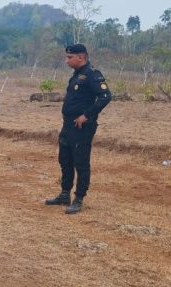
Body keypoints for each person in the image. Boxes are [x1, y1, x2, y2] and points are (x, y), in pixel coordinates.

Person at [44, 44, 111, 214]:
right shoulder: (77, 75)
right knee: (65, 160)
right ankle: (64, 194)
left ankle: (79, 198)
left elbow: (105, 96)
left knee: (80, 162)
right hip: (68, 125)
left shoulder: (92, 74)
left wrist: (87, 115)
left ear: (81, 57)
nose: (66, 60)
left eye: (70, 57)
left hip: (82, 127)